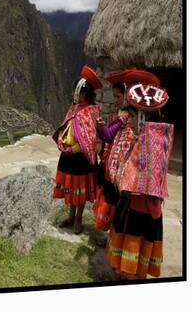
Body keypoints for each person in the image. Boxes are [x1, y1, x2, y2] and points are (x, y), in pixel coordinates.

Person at [105, 69, 173, 279]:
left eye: (133, 117)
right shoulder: (146, 137)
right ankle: (124, 276)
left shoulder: (151, 141)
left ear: (143, 117)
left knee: (134, 248)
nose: (130, 122)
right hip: (132, 204)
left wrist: (121, 179)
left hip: (140, 209)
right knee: (127, 248)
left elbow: (141, 178)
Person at [53, 65, 103, 234]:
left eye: (78, 91)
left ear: (86, 92)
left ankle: (79, 220)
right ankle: (71, 216)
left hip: (80, 157)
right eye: (75, 90)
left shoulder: (91, 111)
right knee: (72, 187)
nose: (75, 94)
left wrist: (74, 149)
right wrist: (61, 141)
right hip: (68, 155)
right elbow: (66, 125)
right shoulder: (74, 107)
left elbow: (88, 139)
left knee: (80, 191)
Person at [93, 70, 131, 235]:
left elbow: (109, 133)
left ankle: (113, 235)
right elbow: (107, 136)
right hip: (110, 157)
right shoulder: (116, 111)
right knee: (108, 196)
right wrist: (102, 129)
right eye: (114, 96)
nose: (115, 100)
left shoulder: (128, 116)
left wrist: (103, 129)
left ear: (127, 95)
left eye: (118, 96)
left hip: (122, 163)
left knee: (115, 200)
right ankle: (107, 232)